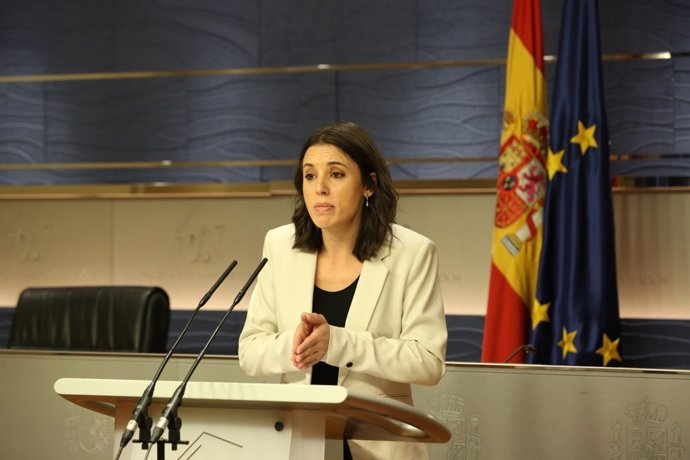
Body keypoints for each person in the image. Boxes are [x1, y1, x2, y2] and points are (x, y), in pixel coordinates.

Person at [238, 121, 448, 459]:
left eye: (336, 174)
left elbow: (427, 363)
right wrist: (293, 343)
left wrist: (337, 343)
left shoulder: (412, 252)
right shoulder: (279, 245)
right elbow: (250, 353)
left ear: (369, 184)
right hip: (297, 443)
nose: (320, 188)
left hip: (379, 445)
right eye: (309, 175)